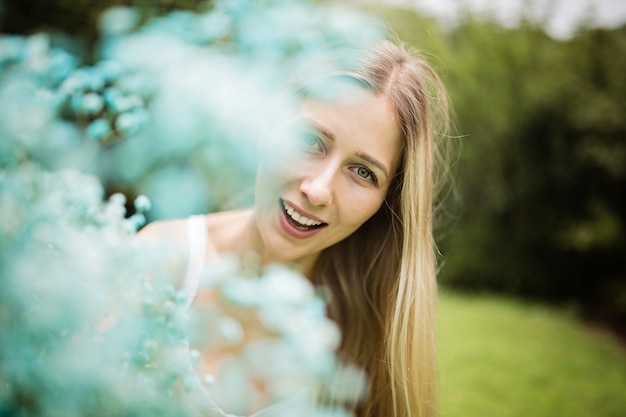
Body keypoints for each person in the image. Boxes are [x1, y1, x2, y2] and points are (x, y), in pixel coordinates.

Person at [139, 40, 450, 417]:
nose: (318, 190)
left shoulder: (372, 346)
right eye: (309, 141)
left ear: (386, 204)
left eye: (363, 172)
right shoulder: (160, 260)